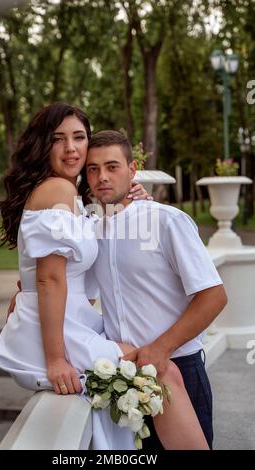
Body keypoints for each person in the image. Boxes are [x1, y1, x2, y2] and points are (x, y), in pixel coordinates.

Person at [0, 102, 210, 450]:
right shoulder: (57, 189)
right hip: (59, 331)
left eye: (79, 137)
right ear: (42, 144)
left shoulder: (72, 198)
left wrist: (128, 200)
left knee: (151, 367)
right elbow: (49, 280)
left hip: (69, 322)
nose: (71, 148)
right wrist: (55, 360)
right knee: (164, 373)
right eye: (58, 139)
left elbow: (52, 267)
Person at [84, 130, 228, 449]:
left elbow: (214, 296)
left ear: (132, 169)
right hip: (122, 376)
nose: (102, 177)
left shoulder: (167, 221)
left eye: (112, 166)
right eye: (92, 169)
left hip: (178, 370)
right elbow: (83, 297)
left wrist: (161, 348)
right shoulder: (91, 232)